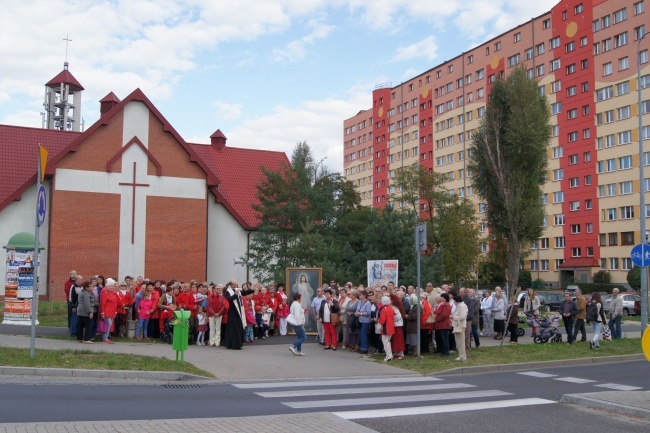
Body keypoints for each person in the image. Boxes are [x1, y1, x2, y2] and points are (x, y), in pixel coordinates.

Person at [222, 280, 254, 350]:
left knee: (239, 327)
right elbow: (230, 299)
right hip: (233, 312)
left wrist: (251, 289)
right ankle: (233, 344)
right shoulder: (228, 292)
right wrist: (235, 294)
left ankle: (238, 343)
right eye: (235, 285)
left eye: (237, 285)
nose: (236, 286)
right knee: (234, 328)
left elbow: (244, 292)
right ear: (231, 285)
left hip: (239, 311)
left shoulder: (237, 290)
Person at [377, 295, 395, 362]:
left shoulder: (384, 309)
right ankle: (389, 355)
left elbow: (382, 319)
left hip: (386, 327)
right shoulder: (390, 308)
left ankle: (389, 356)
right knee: (388, 341)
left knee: (385, 342)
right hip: (391, 327)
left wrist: (379, 324)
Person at [355, 290, 373, 354]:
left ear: (364, 295)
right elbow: (357, 309)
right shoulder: (359, 302)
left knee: (363, 334)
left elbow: (368, 312)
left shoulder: (368, 303)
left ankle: (364, 348)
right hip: (359, 320)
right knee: (360, 333)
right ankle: (361, 346)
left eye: (361, 295)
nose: (359, 296)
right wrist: (356, 313)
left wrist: (361, 313)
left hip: (365, 320)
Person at [451, 295, 468, 361]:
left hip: (460, 325)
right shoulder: (459, 306)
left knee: (461, 342)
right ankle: (461, 355)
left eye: (454, 301)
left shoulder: (462, 306)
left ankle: (463, 356)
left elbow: (463, 317)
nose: (454, 302)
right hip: (457, 325)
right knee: (458, 342)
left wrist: (454, 317)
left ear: (457, 301)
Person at [390, 294, 406, 359]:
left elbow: (398, 316)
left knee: (398, 339)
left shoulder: (394, 307)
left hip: (397, 325)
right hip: (394, 325)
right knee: (394, 339)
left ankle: (401, 353)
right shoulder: (392, 306)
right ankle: (396, 352)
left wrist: (392, 319)